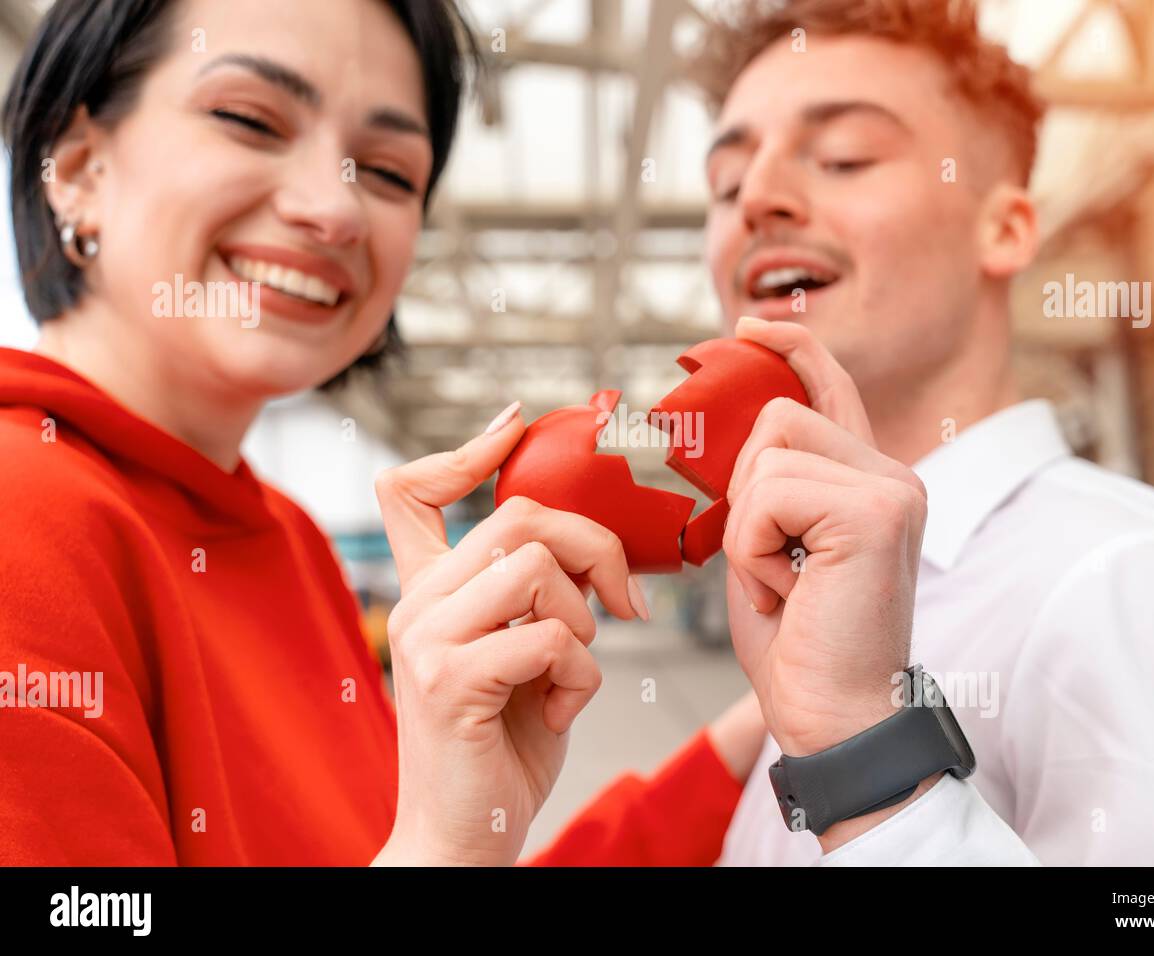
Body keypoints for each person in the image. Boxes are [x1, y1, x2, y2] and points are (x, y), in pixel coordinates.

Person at [0, 0, 767, 867]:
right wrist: (443, 845)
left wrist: (770, 723)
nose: (335, 208)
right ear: (75, 167)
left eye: (391, 173)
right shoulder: (22, 517)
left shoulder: (285, 540)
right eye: (250, 119)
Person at [665, 0, 1154, 865]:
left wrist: (870, 771)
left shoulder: (1133, 589)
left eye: (844, 156)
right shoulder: (799, 597)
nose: (757, 202)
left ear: (1005, 229)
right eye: (727, 184)